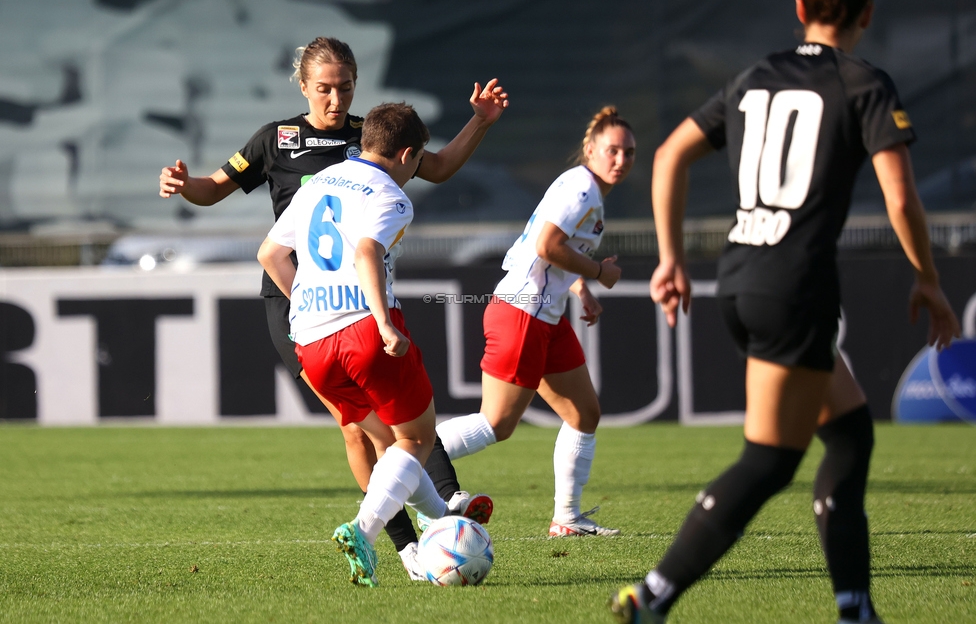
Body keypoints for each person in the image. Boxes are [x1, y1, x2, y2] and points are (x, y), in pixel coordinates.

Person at [609, 0, 961, 622]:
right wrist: (929, 279)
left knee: (851, 434)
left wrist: (673, 259)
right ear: (868, 13)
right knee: (769, 461)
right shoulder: (864, 83)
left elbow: (669, 155)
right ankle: (652, 596)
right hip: (794, 285)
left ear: (799, 10)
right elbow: (903, 197)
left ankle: (856, 606)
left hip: (741, 276)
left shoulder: (753, 76)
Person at [160, 37, 507, 579]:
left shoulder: (370, 137)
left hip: (351, 298)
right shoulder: (276, 140)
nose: (335, 99)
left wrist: (479, 123)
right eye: (324, 88)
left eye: (345, 87)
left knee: (392, 426)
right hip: (296, 299)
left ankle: (444, 510)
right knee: (364, 431)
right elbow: (214, 191)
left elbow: (433, 168)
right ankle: (413, 546)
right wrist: (186, 187)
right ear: (303, 87)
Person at [257, 102, 491, 587]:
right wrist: (383, 323)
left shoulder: (318, 182)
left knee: (390, 444)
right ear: (407, 155)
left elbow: (270, 254)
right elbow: (367, 249)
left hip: (312, 342)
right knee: (418, 440)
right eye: (416, 161)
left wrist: (307, 304)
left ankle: (440, 519)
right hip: (365, 330)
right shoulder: (391, 195)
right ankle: (364, 530)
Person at [435, 106, 636, 538]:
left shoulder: (586, 190)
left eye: (629, 153)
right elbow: (546, 245)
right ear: (590, 149)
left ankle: (568, 517)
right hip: (523, 312)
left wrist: (580, 288)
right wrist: (599, 273)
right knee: (497, 424)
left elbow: (549, 248)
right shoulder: (582, 187)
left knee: (584, 413)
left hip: (547, 313)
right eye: (612, 150)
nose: (620, 160)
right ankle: (409, 458)